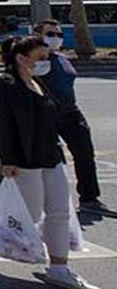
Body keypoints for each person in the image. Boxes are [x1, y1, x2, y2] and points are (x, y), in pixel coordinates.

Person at [0, 35, 102, 289]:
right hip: (24, 160)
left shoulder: (39, 82)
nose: (46, 61)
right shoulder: (5, 84)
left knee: (59, 211)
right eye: (41, 57)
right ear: (21, 57)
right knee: (29, 213)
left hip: (51, 155)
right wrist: (8, 160)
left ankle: (60, 269)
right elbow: (5, 124)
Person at [33, 19, 114, 217]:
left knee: (85, 154)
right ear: (37, 35)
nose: (56, 38)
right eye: (50, 34)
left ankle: (89, 199)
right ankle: (39, 201)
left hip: (71, 113)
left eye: (58, 35)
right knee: (47, 161)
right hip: (45, 115)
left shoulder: (63, 59)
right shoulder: (34, 60)